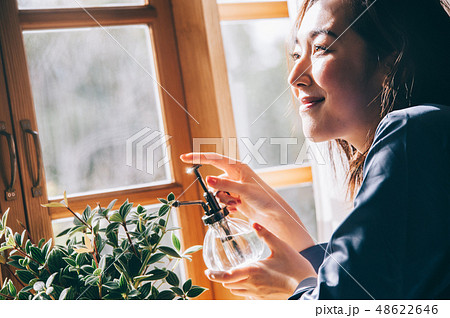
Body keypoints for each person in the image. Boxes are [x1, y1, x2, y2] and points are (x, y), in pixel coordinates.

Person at [181, 0, 450, 299]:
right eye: (297, 53)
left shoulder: (413, 132)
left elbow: (346, 303)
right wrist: (285, 225)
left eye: (321, 48)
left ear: (393, 57)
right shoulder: (430, 133)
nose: (294, 76)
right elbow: (380, 288)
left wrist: (293, 286)